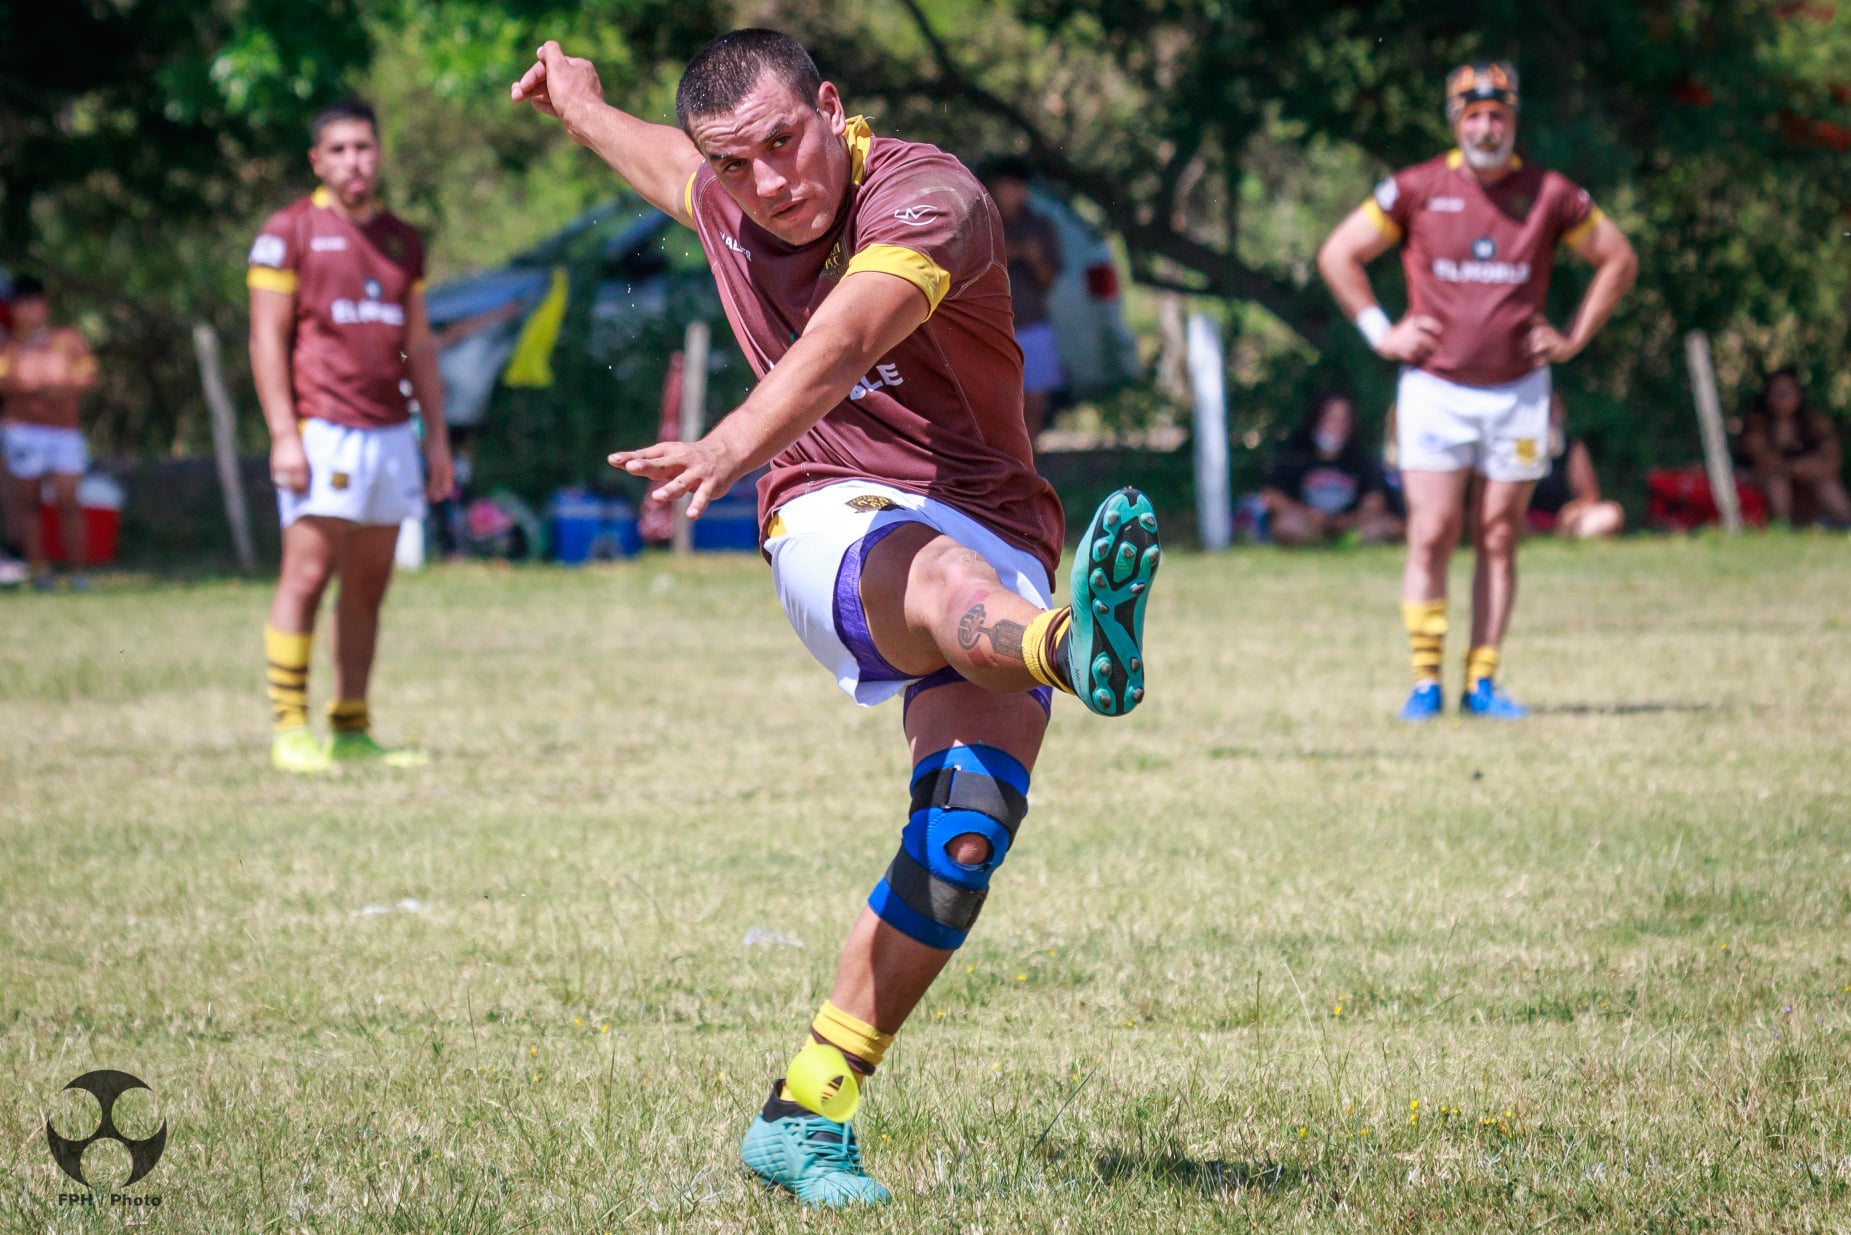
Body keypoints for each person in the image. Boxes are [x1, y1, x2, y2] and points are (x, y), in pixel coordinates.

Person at [512, 28, 1160, 1208]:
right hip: (832, 516)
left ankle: (804, 1112)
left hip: (995, 514)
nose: (768, 183)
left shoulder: (929, 194)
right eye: (736, 165)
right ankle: (1068, 645)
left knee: (963, 835)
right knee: (946, 584)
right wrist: (579, 101)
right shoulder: (725, 190)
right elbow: (657, 161)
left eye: (782, 144)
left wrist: (721, 437)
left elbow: (846, 334)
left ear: (829, 106)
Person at [1316, 61, 1637, 720]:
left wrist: (1573, 336)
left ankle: (1482, 680)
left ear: (1512, 121)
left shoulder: (1549, 193)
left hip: (1518, 391)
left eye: (1497, 115)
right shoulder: (1415, 188)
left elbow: (1618, 258)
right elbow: (1337, 253)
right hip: (1434, 390)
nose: (1485, 126)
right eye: (1473, 115)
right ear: (1455, 122)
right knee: (1430, 530)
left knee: (1497, 533)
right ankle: (1425, 681)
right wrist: (1381, 330)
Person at [248, 99, 453, 774]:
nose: (352, 161)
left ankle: (351, 725)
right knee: (306, 575)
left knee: (367, 589)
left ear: (379, 153)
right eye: (337, 150)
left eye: (362, 147)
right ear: (317, 160)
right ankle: (288, 729)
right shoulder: (289, 231)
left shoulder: (402, 239)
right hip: (321, 430)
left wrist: (437, 440)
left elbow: (418, 345)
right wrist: (283, 433)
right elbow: (266, 340)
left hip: (391, 432)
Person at [0, 275, 99, 591]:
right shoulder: (9, 347)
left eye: (33, 304)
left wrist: (54, 386)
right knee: (28, 504)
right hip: (22, 432)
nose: (28, 312)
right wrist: (37, 386)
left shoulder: (67, 340)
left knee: (69, 500)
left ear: (45, 306)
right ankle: (40, 572)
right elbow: (6, 382)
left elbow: (86, 376)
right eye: (21, 305)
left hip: (64, 433)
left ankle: (78, 572)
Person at [980, 157, 1066, 438]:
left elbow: (1048, 281)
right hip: (989, 328)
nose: (1015, 193)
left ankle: (1030, 467)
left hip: (1031, 322)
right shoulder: (980, 222)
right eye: (1009, 186)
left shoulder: (1039, 226)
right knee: (992, 404)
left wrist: (1034, 258)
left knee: (1034, 403)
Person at [1260, 390, 1404, 545]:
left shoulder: (1361, 459)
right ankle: (1317, 543)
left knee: (1389, 526)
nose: (1337, 425)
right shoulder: (1296, 456)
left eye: (1343, 420)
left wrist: (1350, 520)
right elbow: (1272, 496)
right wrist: (1308, 514)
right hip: (1307, 524)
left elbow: (1374, 501)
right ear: (1317, 419)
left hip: (1351, 527)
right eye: (1331, 418)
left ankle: (1346, 544)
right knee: (1286, 525)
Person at [1740, 367, 1851, 528]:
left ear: (1798, 395)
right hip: (1769, 481)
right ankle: (1782, 527)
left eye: (1785, 393)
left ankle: (1847, 522)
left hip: (1807, 485)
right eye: (1775, 393)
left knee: (1827, 484)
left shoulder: (1815, 422)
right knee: (1777, 483)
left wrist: (1811, 467)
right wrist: (1792, 468)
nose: (1779, 399)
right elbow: (1758, 454)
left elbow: (1832, 458)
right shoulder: (1757, 422)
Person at [1527, 390, 1624, 538]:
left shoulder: (1572, 447)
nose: (1550, 414)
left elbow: (1589, 494)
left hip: (1562, 520)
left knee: (1611, 513)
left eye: (1554, 408)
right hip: (1524, 518)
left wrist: (1572, 510)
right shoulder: (1520, 447)